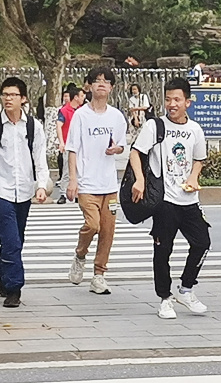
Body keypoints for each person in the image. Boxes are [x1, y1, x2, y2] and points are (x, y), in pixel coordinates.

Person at [129, 77, 209, 319]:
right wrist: (139, 180)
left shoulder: (195, 129)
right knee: (163, 250)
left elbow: (199, 159)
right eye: (168, 99)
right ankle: (164, 298)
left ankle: (186, 288)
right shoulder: (154, 126)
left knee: (202, 243)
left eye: (177, 100)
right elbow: (135, 152)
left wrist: (194, 176)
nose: (172, 104)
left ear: (188, 102)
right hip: (164, 200)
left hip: (189, 200)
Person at [0, 77, 51, 308]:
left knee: (17, 240)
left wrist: (41, 186)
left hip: (25, 190)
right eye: (5, 94)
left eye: (13, 95)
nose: (8, 99)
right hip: (0, 190)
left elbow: (40, 158)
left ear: (23, 99)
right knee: (10, 240)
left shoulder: (34, 127)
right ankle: (14, 287)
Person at [66, 67, 128, 295]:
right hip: (87, 183)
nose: (101, 84)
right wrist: (73, 180)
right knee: (93, 225)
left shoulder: (116, 116)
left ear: (111, 87)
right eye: (97, 80)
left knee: (108, 231)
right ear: (89, 86)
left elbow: (122, 144)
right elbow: (72, 149)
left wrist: (116, 149)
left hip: (109, 184)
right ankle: (80, 254)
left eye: (106, 81)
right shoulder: (81, 115)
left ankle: (99, 275)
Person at [55, 86, 86, 204]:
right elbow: (59, 126)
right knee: (67, 170)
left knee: (80, 170)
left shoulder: (82, 111)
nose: (83, 98)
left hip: (81, 145)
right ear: (76, 97)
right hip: (68, 144)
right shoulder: (64, 111)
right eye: (81, 96)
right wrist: (61, 142)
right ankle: (63, 193)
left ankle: (78, 193)